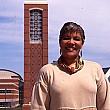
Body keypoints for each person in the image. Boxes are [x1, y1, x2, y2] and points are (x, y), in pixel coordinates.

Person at [31, 22, 110, 110]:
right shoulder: (47, 72)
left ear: (82, 44)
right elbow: (38, 107)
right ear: (60, 43)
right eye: (66, 38)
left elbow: (106, 105)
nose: (71, 42)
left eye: (76, 39)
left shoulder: (95, 69)